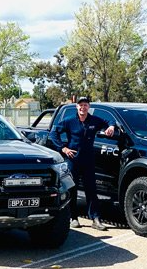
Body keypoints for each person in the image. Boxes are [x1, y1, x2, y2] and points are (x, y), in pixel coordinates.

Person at [49, 96, 114, 230]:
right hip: (73, 160)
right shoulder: (69, 121)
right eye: (80, 105)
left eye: (85, 105)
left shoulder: (94, 120)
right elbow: (53, 133)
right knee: (72, 189)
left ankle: (95, 219)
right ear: (76, 107)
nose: (83, 107)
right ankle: (73, 217)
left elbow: (109, 120)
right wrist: (63, 148)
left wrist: (111, 126)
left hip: (88, 160)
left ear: (88, 107)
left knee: (91, 189)